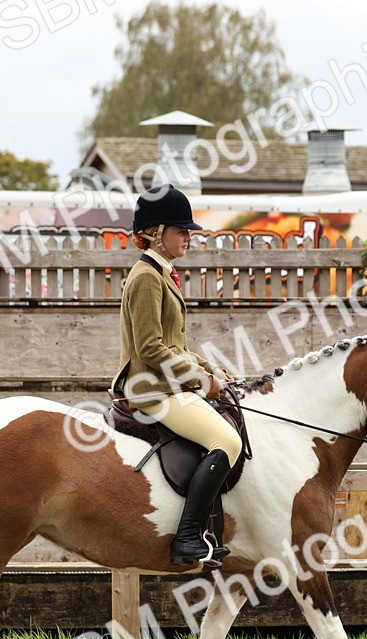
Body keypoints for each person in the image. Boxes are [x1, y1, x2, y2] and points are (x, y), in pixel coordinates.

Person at [112, 184, 243, 566]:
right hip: (152, 389)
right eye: (181, 231)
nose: (188, 237)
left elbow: (175, 344)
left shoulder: (160, 273)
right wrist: (201, 381)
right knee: (227, 441)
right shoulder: (146, 278)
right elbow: (150, 348)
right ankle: (186, 537)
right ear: (155, 233)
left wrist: (210, 369)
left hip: (169, 384)